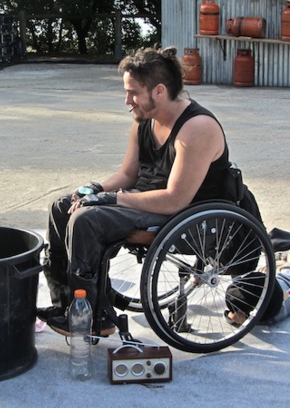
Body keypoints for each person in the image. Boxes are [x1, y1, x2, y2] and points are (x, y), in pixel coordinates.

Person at [38, 46, 233, 337]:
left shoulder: (197, 128)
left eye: (133, 93)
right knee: (62, 207)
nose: (127, 101)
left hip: (185, 215)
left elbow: (174, 199)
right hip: (143, 202)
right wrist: (95, 189)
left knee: (86, 220)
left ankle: (92, 316)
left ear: (158, 91)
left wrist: (109, 199)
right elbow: (128, 175)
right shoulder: (144, 122)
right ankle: (70, 306)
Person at [225, 247, 290, 325]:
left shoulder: (267, 317)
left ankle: (280, 259)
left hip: (285, 287)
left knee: (267, 270)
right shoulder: (273, 314)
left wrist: (232, 316)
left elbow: (230, 315)